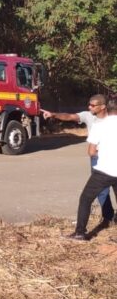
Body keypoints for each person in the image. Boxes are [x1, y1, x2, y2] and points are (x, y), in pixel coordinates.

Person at [42, 94, 115, 227]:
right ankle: (108, 218)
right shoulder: (89, 116)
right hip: (98, 159)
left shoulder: (111, 119)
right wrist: (53, 114)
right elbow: (70, 116)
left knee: (91, 195)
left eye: (93, 105)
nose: (89, 107)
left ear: (103, 107)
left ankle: (83, 230)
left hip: (111, 159)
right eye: (89, 104)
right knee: (102, 192)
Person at [66, 97, 117, 240]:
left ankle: (80, 232)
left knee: (85, 199)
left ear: (106, 108)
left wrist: (105, 152)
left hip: (104, 171)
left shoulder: (99, 126)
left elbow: (91, 152)